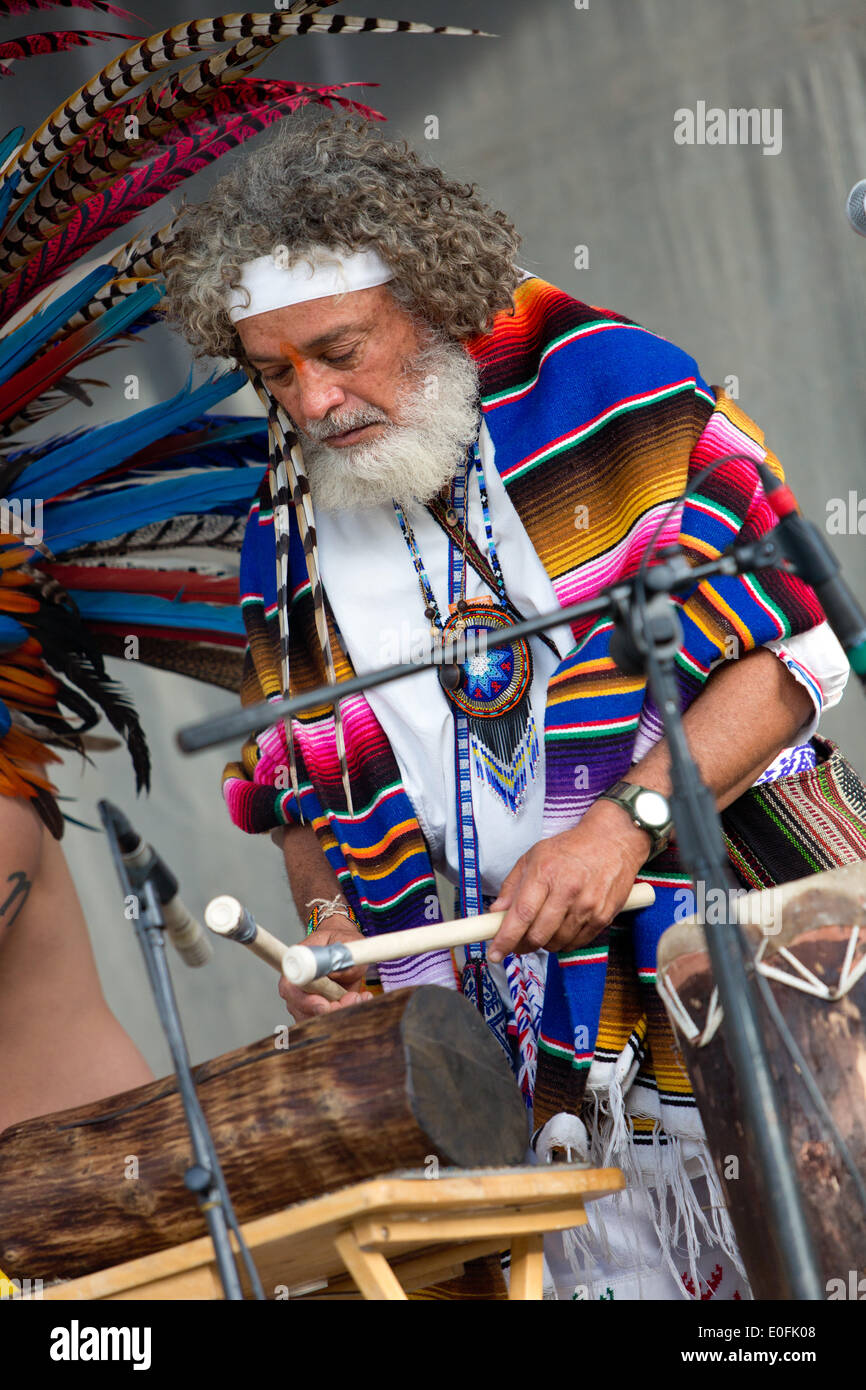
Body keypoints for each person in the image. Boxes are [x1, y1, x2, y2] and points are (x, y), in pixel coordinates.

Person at [162, 116, 851, 1299]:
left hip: (743, 965)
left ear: (426, 299)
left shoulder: (610, 387)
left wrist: (616, 823)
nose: (314, 402)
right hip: (512, 1054)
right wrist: (331, 933)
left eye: (338, 350)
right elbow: (296, 797)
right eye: (274, 373)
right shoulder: (285, 532)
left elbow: (793, 647)